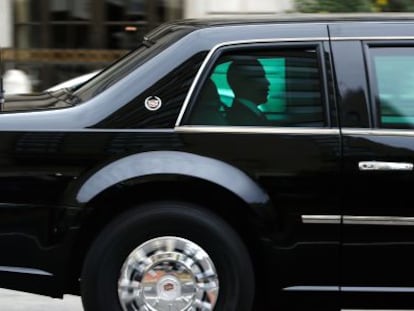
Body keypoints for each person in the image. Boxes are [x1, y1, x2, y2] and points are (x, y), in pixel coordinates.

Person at [226, 57, 270, 125]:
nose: (267, 82)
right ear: (243, 83)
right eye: (261, 77)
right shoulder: (243, 120)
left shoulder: (244, 114)